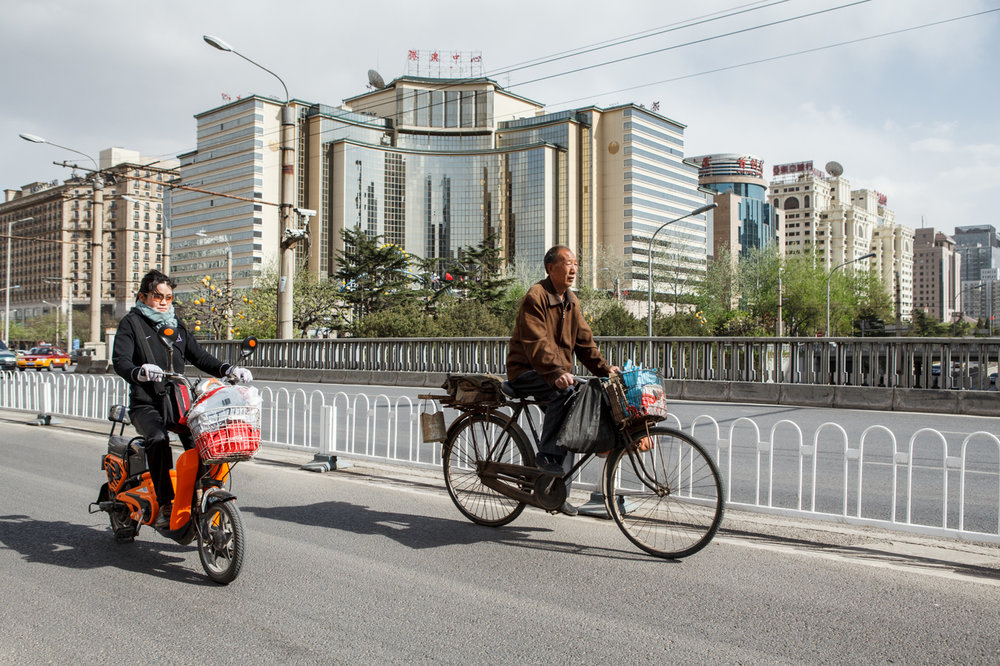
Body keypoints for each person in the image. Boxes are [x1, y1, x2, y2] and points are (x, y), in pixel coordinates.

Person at [112, 270, 253, 528]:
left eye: (168, 297)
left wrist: (229, 369)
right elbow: (120, 362)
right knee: (158, 439)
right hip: (146, 403)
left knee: (203, 440)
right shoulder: (131, 323)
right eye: (157, 297)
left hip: (177, 402)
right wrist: (139, 372)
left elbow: (199, 356)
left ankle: (200, 492)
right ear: (143, 296)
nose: (164, 302)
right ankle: (166, 502)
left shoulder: (176, 324)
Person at [505, 245, 619, 515]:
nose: (573, 269)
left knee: (571, 423)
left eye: (576, 263)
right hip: (527, 372)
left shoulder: (571, 300)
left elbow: (584, 342)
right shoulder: (536, 296)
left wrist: (604, 370)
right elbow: (537, 343)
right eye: (567, 263)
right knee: (565, 396)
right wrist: (556, 373)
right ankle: (545, 455)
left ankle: (557, 495)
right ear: (550, 268)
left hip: (555, 374)